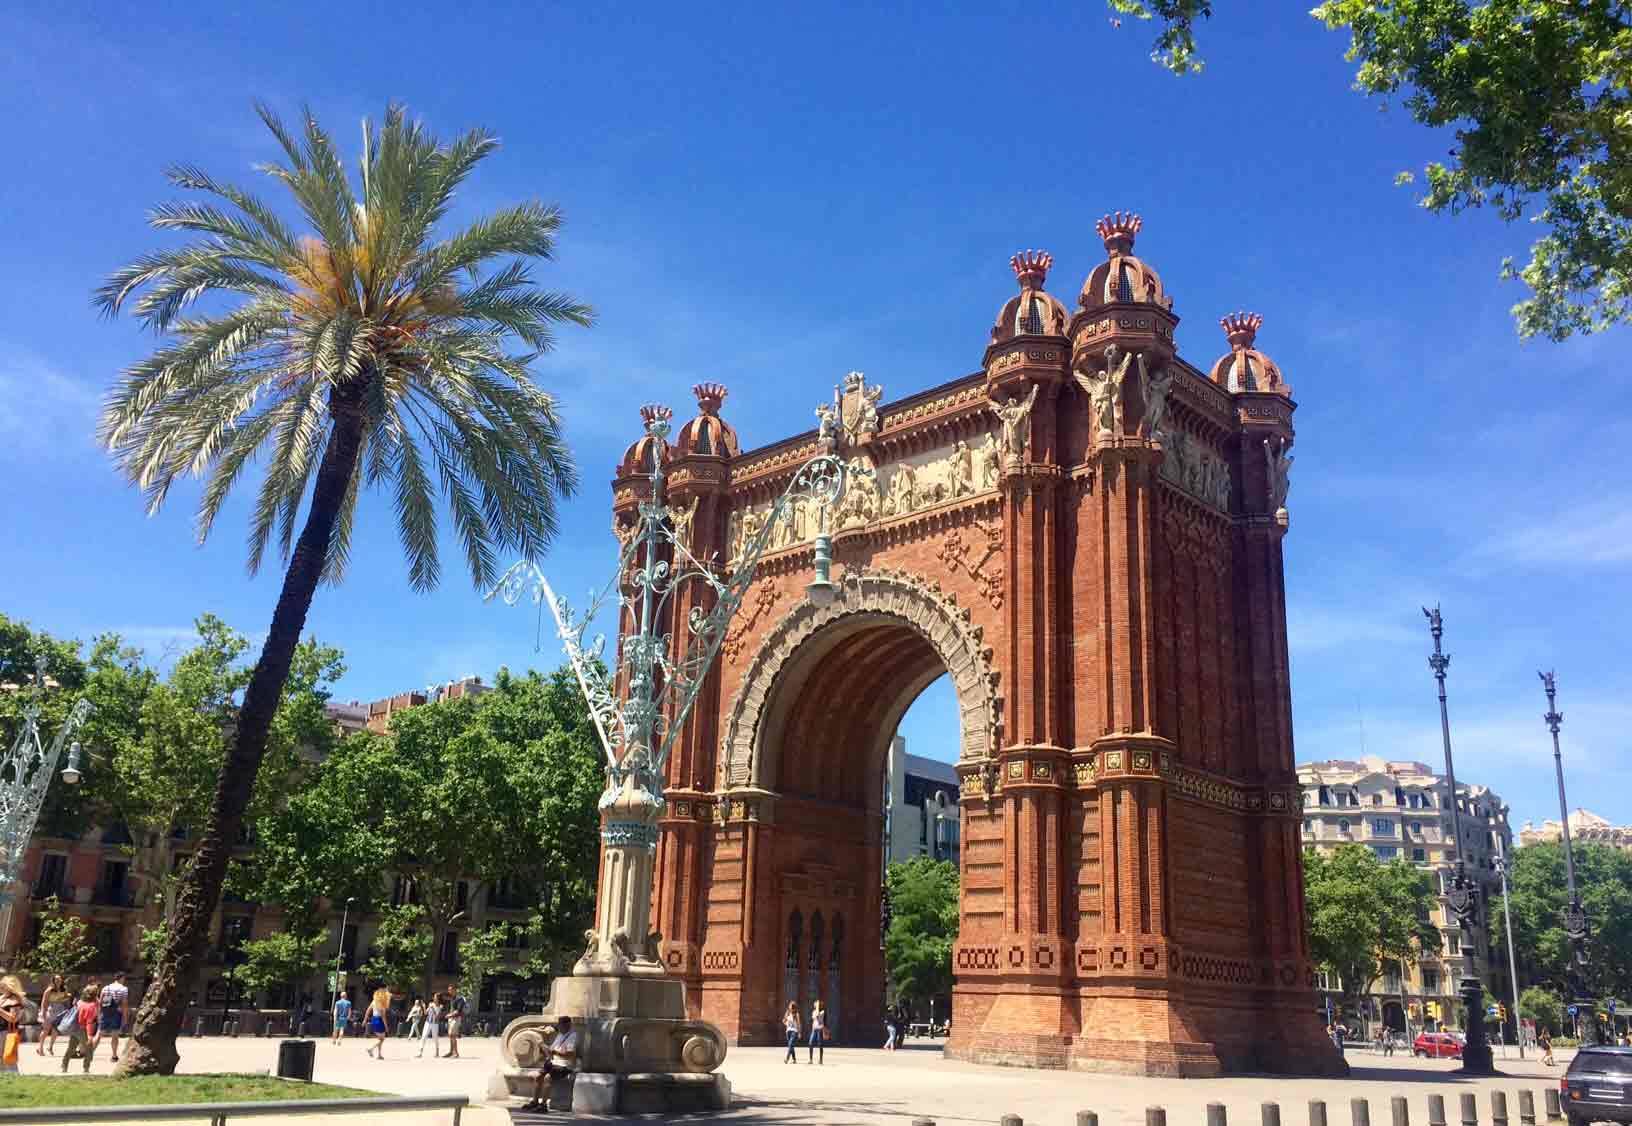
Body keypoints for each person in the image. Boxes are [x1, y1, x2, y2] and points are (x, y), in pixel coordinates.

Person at [523, 1015, 578, 1112]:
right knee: (538, 1076)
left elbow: (570, 1055)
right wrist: (544, 1049)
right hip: (554, 1063)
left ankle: (543, 1105)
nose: (559, 1027)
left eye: (561, 1025)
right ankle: (535, 1101)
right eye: (559, 1025)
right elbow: (552, 1050)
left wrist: (555, 1052)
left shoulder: (573, 1036)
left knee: (547, 1078)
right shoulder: (560, 1035)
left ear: (568, 1025)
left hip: (564, 1065)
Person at [60, 985, 101, 1074]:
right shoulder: (91, 1006)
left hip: (74, 1028)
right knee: (89, 1049)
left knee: (71, 1048)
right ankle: (86, 1068)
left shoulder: (80, 1002)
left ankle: (64, 1065)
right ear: (95, 994)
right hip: (82, 1030)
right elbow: (89, 1022)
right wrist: (90, 1036)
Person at [98, 971, 130, 1063]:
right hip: (116, 1013)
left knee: (99, 1034)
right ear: (121, 978)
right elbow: (124, 1004)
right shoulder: (123, 989)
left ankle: (89, 1052)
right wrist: (125, 1018)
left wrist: (99, 1014)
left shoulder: (106, 987)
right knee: (115, 1035)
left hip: (105, 1013)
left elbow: (100, 1002)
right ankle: (114, 1055)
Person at [38, 974, 68, 1057]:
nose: (58, 981)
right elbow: (43, 1002)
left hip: (60, 1010)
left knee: (55, 1030)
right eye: (56, 979)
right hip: (50, 1010)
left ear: (62, 980)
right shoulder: (49, 990)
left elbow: (65, 998)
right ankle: (40, 1047)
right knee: (46, 1030)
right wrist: (43, 1013)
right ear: (53, 981)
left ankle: (50, 1047)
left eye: (59, 979)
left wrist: (67, 998)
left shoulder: (64, 989)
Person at [0, 976, 26, 1074]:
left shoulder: (15, 1000)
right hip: (2, 1032)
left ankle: (13, 1076)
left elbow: (13, 1018)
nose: (0, 987)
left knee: (8, 1055)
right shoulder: (2, 998)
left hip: (7, 1032)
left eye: (2, 985)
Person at [364, 988, 391, 1059]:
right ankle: (371, 1049)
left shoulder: (374, 1001)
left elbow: (367, 1011)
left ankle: (379, 1055)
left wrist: (365, 1020)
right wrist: (386, 1026)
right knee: (382, 1039)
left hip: (374, 1019)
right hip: (379, 1020)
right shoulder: (382, 1004)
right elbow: (383, 1017)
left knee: (380, 1038)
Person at [418, 993, 443, 1058]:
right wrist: (424, 1007)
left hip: (435, 1024)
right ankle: (420, 1053)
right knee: (423, 1037)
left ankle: (437, 1053)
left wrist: (434, 1009)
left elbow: (437, 1017)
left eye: (435, 997)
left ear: (438, 998)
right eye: (434, 997)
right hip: (427, 1022)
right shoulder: (430, 1004)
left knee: (435, 1038)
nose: (434, 998)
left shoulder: (440, 1006)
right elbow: (426, 1013)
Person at [445, 984, 466, 1058]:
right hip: (451, 1018)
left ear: (455, 990)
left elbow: (458, 1010)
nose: (449, 991)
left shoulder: (460, 998)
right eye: (449, 990)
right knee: (450, 1035)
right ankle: (451, 1052)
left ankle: (456, 1053)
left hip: (456, 1018)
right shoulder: (452, 998)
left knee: (452, 1035)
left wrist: (449, 1015)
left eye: (450, 990)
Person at [808, 998, 826, 1065]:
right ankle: (810, 1059)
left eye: (816, 1004)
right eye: (815, 1004)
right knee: (810, 1043)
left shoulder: (823, 1011)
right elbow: (814, 1019)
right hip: (814, 1029)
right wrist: (812, 1028)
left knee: (820, 1045)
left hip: (820, 1029)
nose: (815, 1004)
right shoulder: (813, 1011)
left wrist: (824, 1031)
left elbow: (818, 1017)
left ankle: (821, 1060)